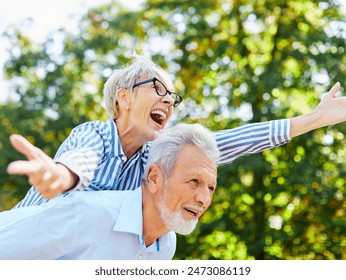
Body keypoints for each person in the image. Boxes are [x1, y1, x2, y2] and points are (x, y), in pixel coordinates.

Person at [7, 55, 346, 208]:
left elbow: (227, 142)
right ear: (123, 98)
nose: (168, 101)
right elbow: (79, 160)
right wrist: (60, 175)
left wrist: (316, 119)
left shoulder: (153, 159)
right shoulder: (94, 134)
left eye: (173, 98)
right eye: (158, 89)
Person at [0, 123, 219, 260]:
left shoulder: (166, 246)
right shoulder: (86, 215)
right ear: (154, 178)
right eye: (194, 181)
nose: (204, 199)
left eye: (211, 187)